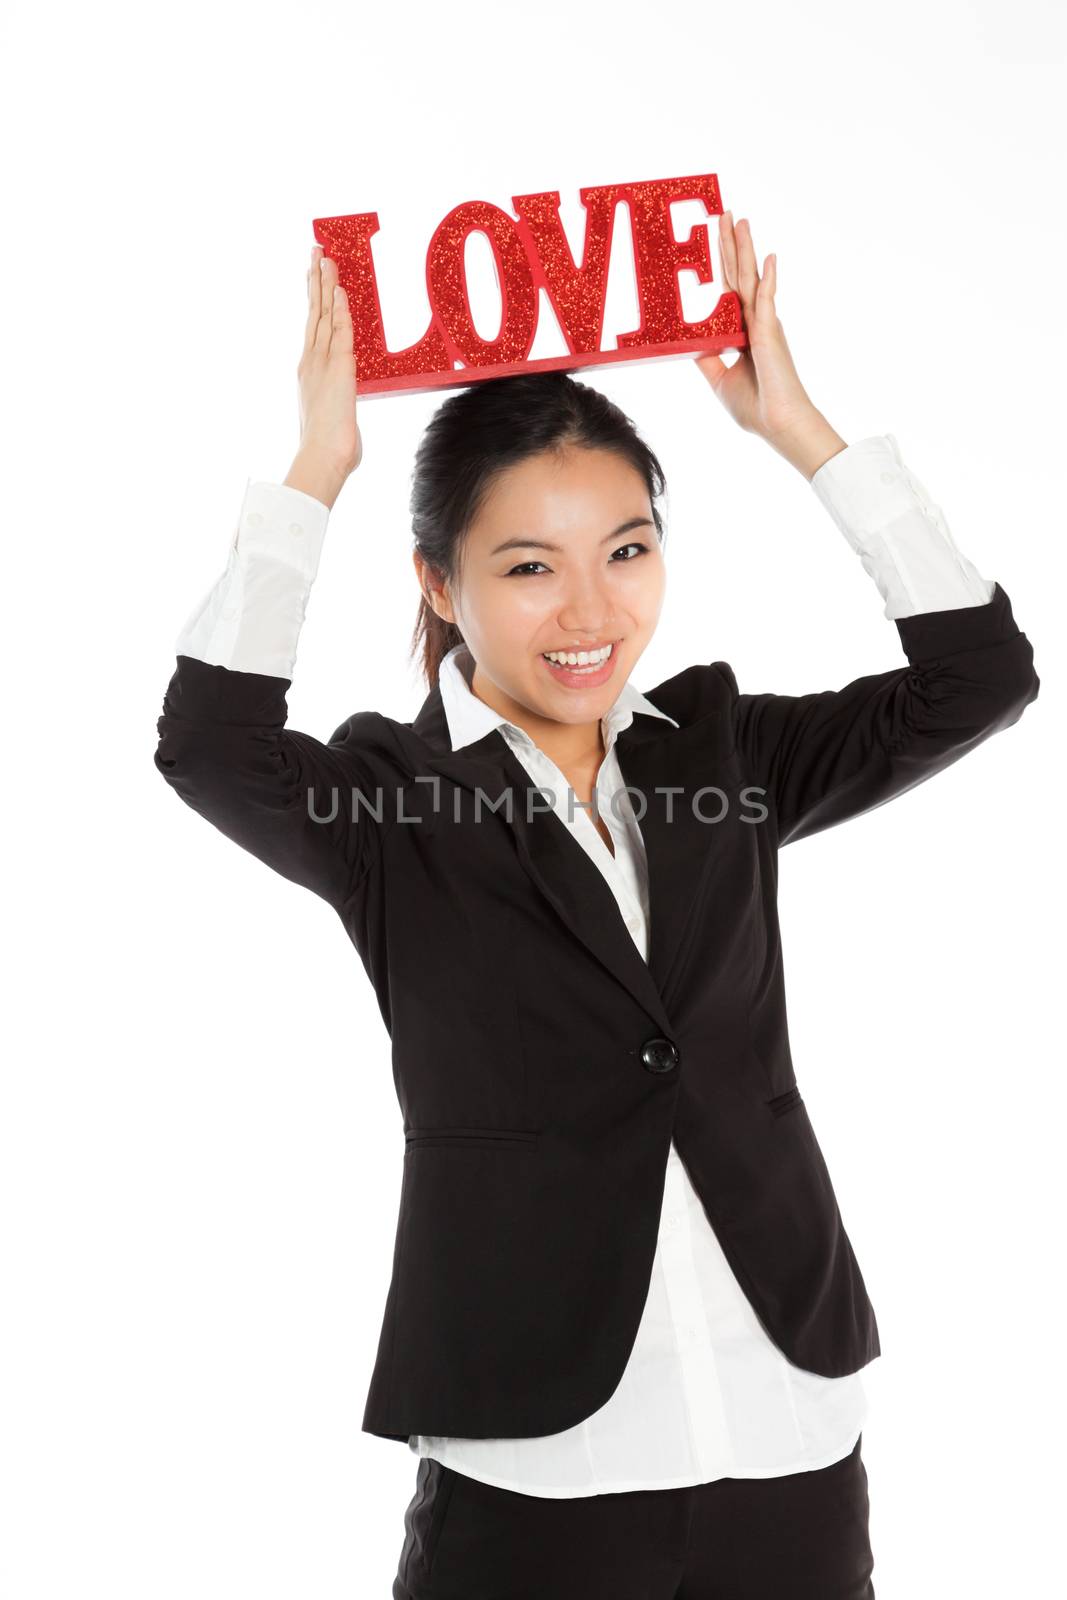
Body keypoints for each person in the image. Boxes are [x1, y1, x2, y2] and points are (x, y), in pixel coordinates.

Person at [153, 217, 1039, 1599]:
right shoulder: (393, 801)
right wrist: (317, 471)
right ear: (438, 585)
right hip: (536, 1462)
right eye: (526, 566)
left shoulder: (721, 752)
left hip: (788, 1434)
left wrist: (798, 429)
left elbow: (978, 679)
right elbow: (206, 745)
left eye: (626, 550)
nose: (592, 607)